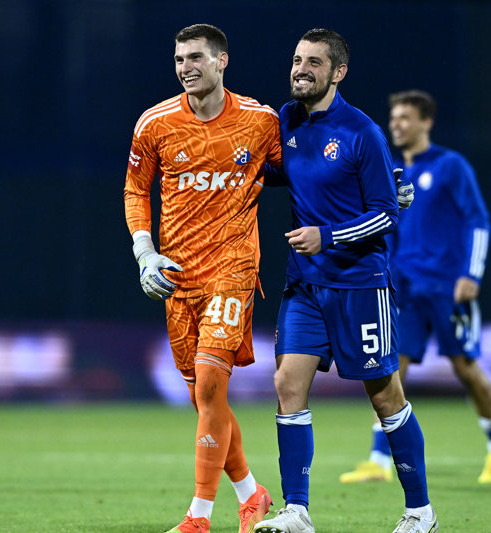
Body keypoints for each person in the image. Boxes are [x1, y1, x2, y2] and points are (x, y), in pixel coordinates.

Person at [254, 30, 437, 533]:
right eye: (297, 59)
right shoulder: (286, 121)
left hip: (360, 284)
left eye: (314, 62)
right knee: (287, 385)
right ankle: (296, 511)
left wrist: (327, 235)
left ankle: (421, 511)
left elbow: (386, 215)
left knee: (385, 397)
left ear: (338, 72)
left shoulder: (362, 131)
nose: (301, 69)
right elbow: (278, 171)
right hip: (304, 285)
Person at [123, 24, 282, 533]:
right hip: (178, 276)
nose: (185, 67)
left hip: (233, 268)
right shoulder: (155, 124)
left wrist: (371, 188)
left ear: (221, 60)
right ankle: (251, 493)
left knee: (212, 383)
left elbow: (302, 174)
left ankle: (199, 516)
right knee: (202, 397)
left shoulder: (260, 121)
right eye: (178, 59)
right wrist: (145, 253)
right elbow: (135, 189)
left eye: (195, 57)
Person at [339, 89, 491, 486]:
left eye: (404, 117)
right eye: (393, 118)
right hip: (404, 288)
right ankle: (379, 460)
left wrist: (472, 274)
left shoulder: (450, 166)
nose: (396, 124)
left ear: (426, 122)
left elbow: (478, 220)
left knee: (465, 369)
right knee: (389, 369)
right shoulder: (392, 172)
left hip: (448, 288)